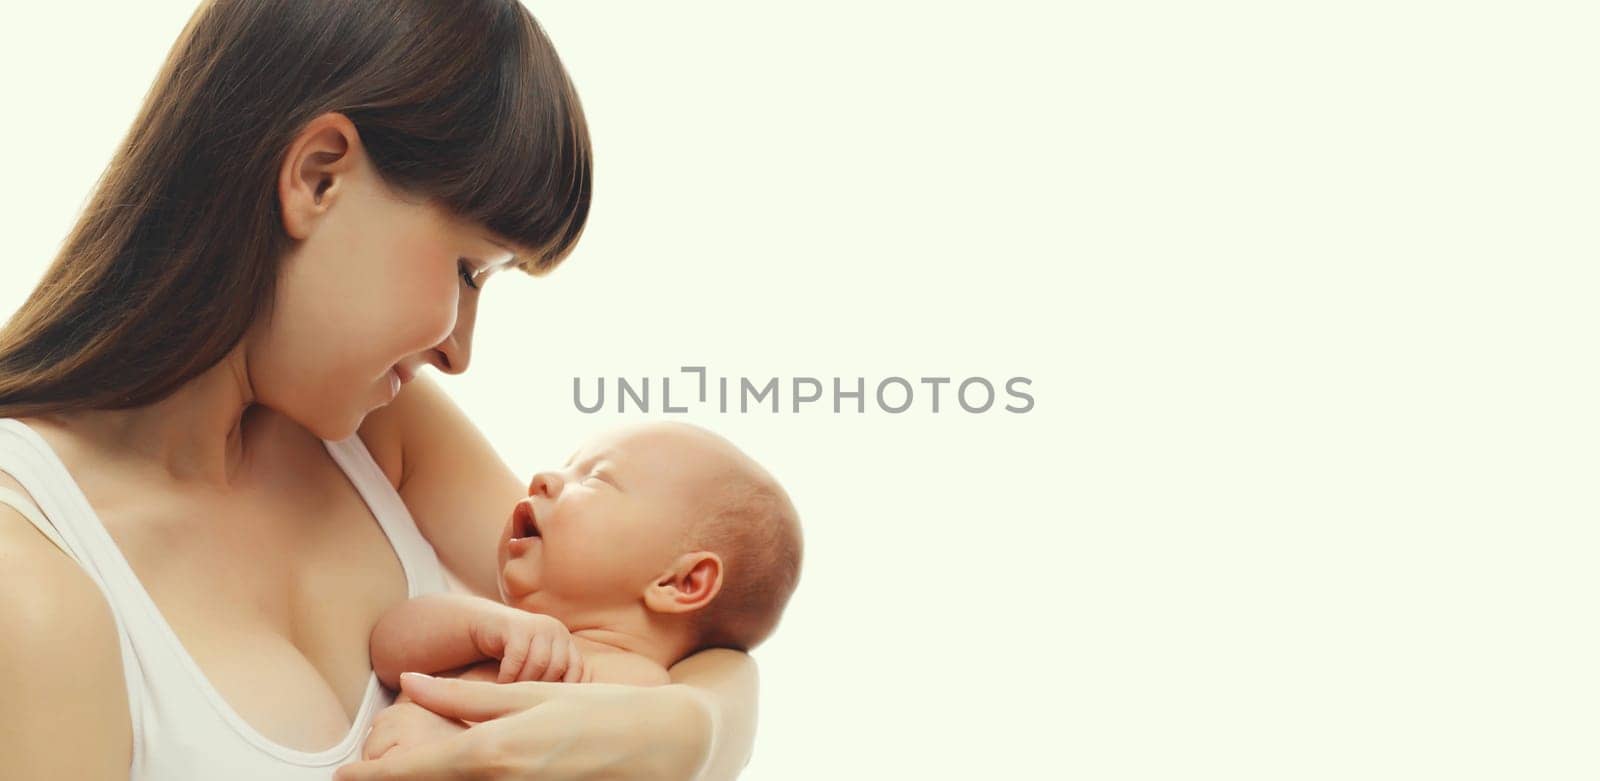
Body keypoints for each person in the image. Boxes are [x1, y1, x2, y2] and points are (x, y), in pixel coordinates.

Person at [0, 1, 757, 779]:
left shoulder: (382, 434)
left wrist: (689, 731)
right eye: (468, 269)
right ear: (318, 175)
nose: (460, 351)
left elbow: (683, 631)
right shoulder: (33, 578)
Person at [361, 422, 803, 760]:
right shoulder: (503, 630)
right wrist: (481, 625)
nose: (544, 478)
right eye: (568, 465)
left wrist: (454, 746)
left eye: (596, 480)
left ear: (679, 583)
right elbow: (387, 649)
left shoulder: (635, 694)